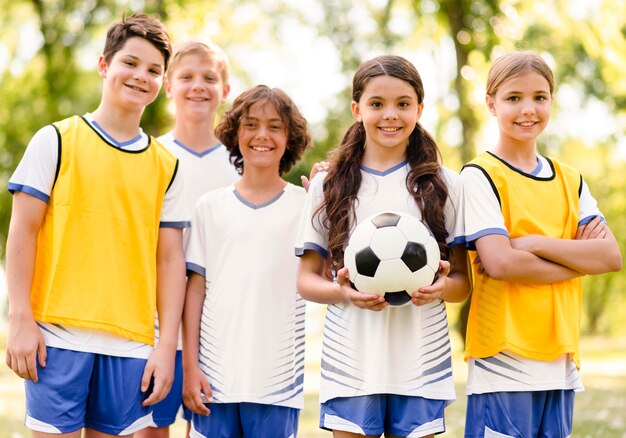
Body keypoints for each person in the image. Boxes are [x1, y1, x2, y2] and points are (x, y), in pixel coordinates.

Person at [4, 12, 189, 436]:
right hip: (56, 338)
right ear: (105, 65)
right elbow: (22, 233)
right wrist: (20, 319)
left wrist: (165, 348)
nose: (141, 76)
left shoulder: (168, 166)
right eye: (130, 62)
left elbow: (168, 261)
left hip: (131, 346)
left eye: (154, 70)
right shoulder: (55, 139)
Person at [296, 55, 470, 438]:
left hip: (420, 356)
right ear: (357, 109)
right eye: (377, 104)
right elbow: (306, 280)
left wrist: (441, 288)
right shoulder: (331, 185)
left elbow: (462, 284)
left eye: (403, 104)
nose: (390, 115)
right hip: (352, 357)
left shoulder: (445, 184)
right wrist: (342, 292)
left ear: (420, 109)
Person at [461, 51, 622, 438]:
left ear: (552, 100)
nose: (528, 109)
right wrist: (579, 261)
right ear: (491, 103)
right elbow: (501, 264)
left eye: (540, 97)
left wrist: (531, 242)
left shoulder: (570, 180)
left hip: (560, 356)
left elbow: (611, 257)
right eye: (513, 98)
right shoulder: (480, 175)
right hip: (503, 356)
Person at [182, 84, 312, 437]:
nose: (262, 135)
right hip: (214, 382)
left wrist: (325, 200)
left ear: (290, 137)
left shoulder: (305, 206)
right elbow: (194, 292)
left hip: (277, 384)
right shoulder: (209, 207)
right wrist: (190, 368)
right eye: (251, 125)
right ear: (235, 133)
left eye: (274, 126)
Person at [136, 39, 238, 438]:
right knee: (148, 429)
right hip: (154, 326)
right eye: (187, 77)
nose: (198, 86)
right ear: (168, 85)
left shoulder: (242, 162)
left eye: (209, 78)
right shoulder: (150, 156)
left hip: (218, 327)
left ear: (225, 91)